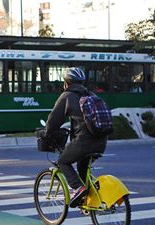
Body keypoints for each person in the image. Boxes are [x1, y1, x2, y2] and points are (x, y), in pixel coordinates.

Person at [45, 67, 108, 208]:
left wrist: (47, 133)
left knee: (63, 162)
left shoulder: (66, 96)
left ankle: (79, 189)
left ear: (66, 83)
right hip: (101, 140)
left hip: (84, 141)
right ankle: (89, 199)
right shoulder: (90, 95)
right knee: (82, 167)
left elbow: (54, 120)